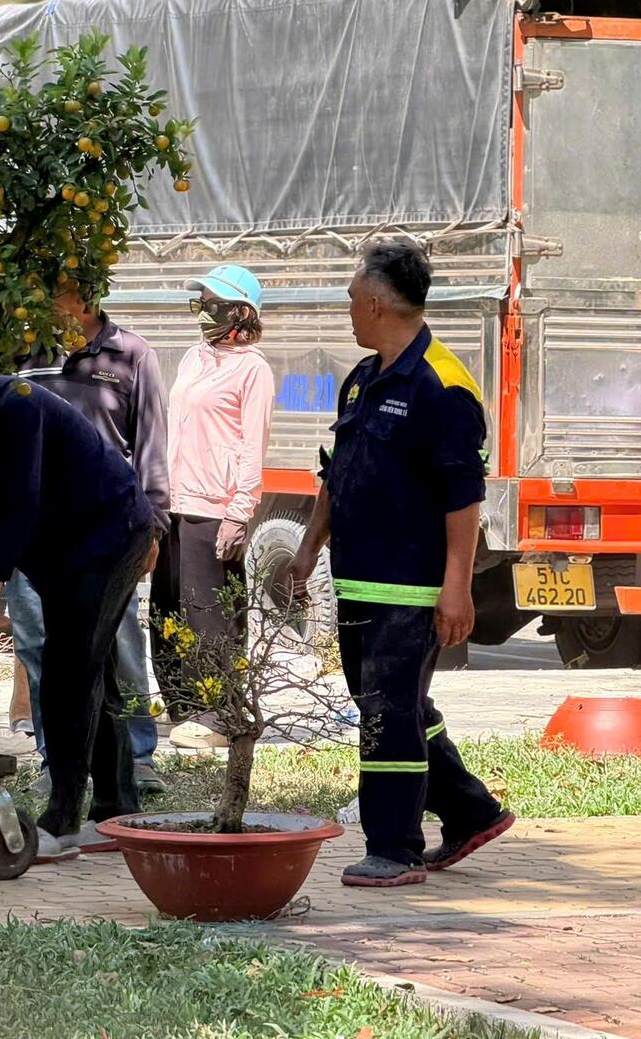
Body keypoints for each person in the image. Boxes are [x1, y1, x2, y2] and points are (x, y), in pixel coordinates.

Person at [290, 240, 515, 888]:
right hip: (357, 581)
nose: (348, 312)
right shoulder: (362, 379)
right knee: (390, 706)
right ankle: (471, 811)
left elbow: (463, 497)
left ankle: (393, 848)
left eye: (351, 300)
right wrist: (307, 549)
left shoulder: (443, 386)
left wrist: (456, 588)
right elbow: (337, 473)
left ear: (376, 304)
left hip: (411, 589)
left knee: (387, 715)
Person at [0, 363, 155, 861]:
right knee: (87, 670)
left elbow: (21, 502)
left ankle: (63, 820)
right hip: (63, 546)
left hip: (108, 535)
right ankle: (117, 812)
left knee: (68, 672)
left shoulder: (16, 405)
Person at [0, 281, 170, 792]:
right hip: (30, 536)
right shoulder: (20, 355)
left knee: (117, 645)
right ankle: (54, 757)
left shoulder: (131, 355)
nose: (40, 303)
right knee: (39, 646)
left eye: (54, 293)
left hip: (105, 532)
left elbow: (151, 447)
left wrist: (156, 524)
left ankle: (136, 756)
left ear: (85, 297)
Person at [158, 264, 276, 752]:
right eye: (200, 303)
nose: (203, 312)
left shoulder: (253, 370)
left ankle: (220, 713)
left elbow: (252, 448)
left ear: (240, 313)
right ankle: (183, 704)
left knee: (209, 615)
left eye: (211, 304)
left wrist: (239, 512)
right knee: (169, 609)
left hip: (215, 508)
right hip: (174, 503)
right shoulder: (193, 358)